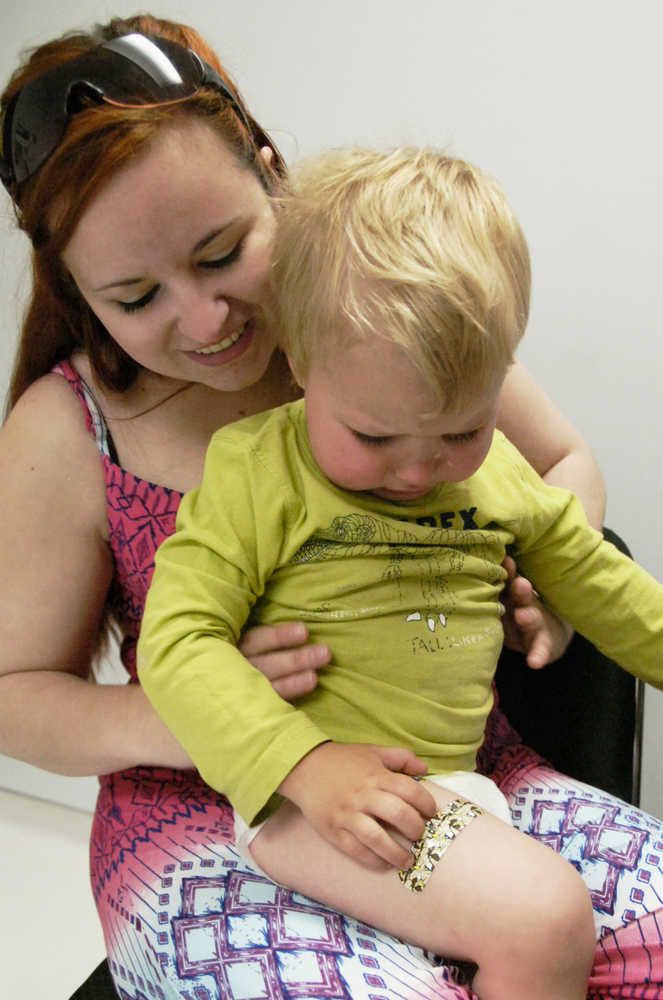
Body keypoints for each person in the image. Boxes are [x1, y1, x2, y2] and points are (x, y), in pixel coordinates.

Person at [0, 12, 660, 999]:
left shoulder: (382, 326)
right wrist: (200, 715)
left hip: (450, 766)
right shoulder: (71, 430)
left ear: (273, 174)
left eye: (222, 253)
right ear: (77, 288)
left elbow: (560, 473)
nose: (207, 318)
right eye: (136, 296)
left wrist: (546, 586)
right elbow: (12, 688)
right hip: (217, 810)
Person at [137, 147, 663, 999]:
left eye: (459, 431)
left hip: (451, 795)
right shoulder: (255, 471)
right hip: (302, 802)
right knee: (544, 919)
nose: (419, 472)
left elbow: (611, 594)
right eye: (375, 439)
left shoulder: (496, 477)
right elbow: (175, 641)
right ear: (301, 366)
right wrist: (304, 768)